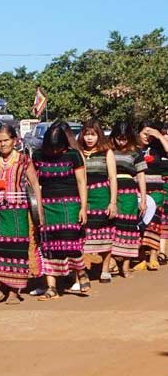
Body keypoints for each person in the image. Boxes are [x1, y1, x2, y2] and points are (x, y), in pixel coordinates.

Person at [0, 124, 42, 304]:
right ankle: (2, 286)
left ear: (14, 140)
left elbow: (34, 185)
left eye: (6, 140)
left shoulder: (24, 160)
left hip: (17, 210)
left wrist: (39, 210)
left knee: (17, 248)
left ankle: (15, 291)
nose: (2, 144)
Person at [32, 122, 87, 300]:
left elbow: (81, 182)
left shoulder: (73, 155)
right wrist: (38, 208)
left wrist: (83, 207)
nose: (55, 152)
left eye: (58, 149)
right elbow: (36, 185)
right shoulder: (38, 155)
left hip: (70, 205)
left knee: (72, 242)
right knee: (48, 245)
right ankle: (51, 287)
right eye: (51, 149)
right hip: (47, 205)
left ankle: (81, 272)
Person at [75, 120, 117, 288]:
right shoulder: (78, 153)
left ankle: (105, 269)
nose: (89, 138)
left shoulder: (106, 152)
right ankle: (81, 270)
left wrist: (113, 202)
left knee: (105, 233)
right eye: (86, 134)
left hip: (102, 196)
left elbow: (113, 178)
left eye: (93, 134)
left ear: (99, 135)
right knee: (82, 235)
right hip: (83, 197)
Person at [109, 121, 148, 277]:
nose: (121, 142)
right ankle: (111, 261)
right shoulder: (108, 151)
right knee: (113, 227)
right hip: (111, 192)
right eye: (119, 138)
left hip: (129, 194)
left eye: (124, 139)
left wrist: (143, 199)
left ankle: (125, 265)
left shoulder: (136, 153)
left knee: (129, 228)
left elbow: (141, 176)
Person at [136, 121, 168, 271]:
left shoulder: (157, 148)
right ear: (137, 133)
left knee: (154, 220)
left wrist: (160, 137)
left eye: (150, 135)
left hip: (156, 188)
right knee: (141, 222)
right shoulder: (132, 149)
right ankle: (141, 257)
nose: (147, 138)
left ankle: (154, 255)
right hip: (137, 188)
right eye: (144, 134)